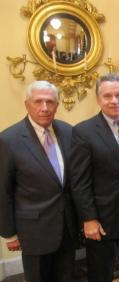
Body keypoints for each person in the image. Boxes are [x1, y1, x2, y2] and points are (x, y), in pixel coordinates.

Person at [70, 74, 119, 282]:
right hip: (102, 217)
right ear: (98, 99)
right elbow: (79, 182)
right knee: (101, 272)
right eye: (107, 96)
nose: (114, 101)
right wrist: (89, 218)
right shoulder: (83, 132)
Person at [0, 81, 78, 282]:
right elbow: (3, 190)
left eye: (50, 102)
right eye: (38, 102)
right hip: (33, 231)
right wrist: (9, 234)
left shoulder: (68, 132)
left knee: (66, 277)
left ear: (57, 106)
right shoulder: (9, 140)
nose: (45, 107)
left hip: (67, 228)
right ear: (27, 105)